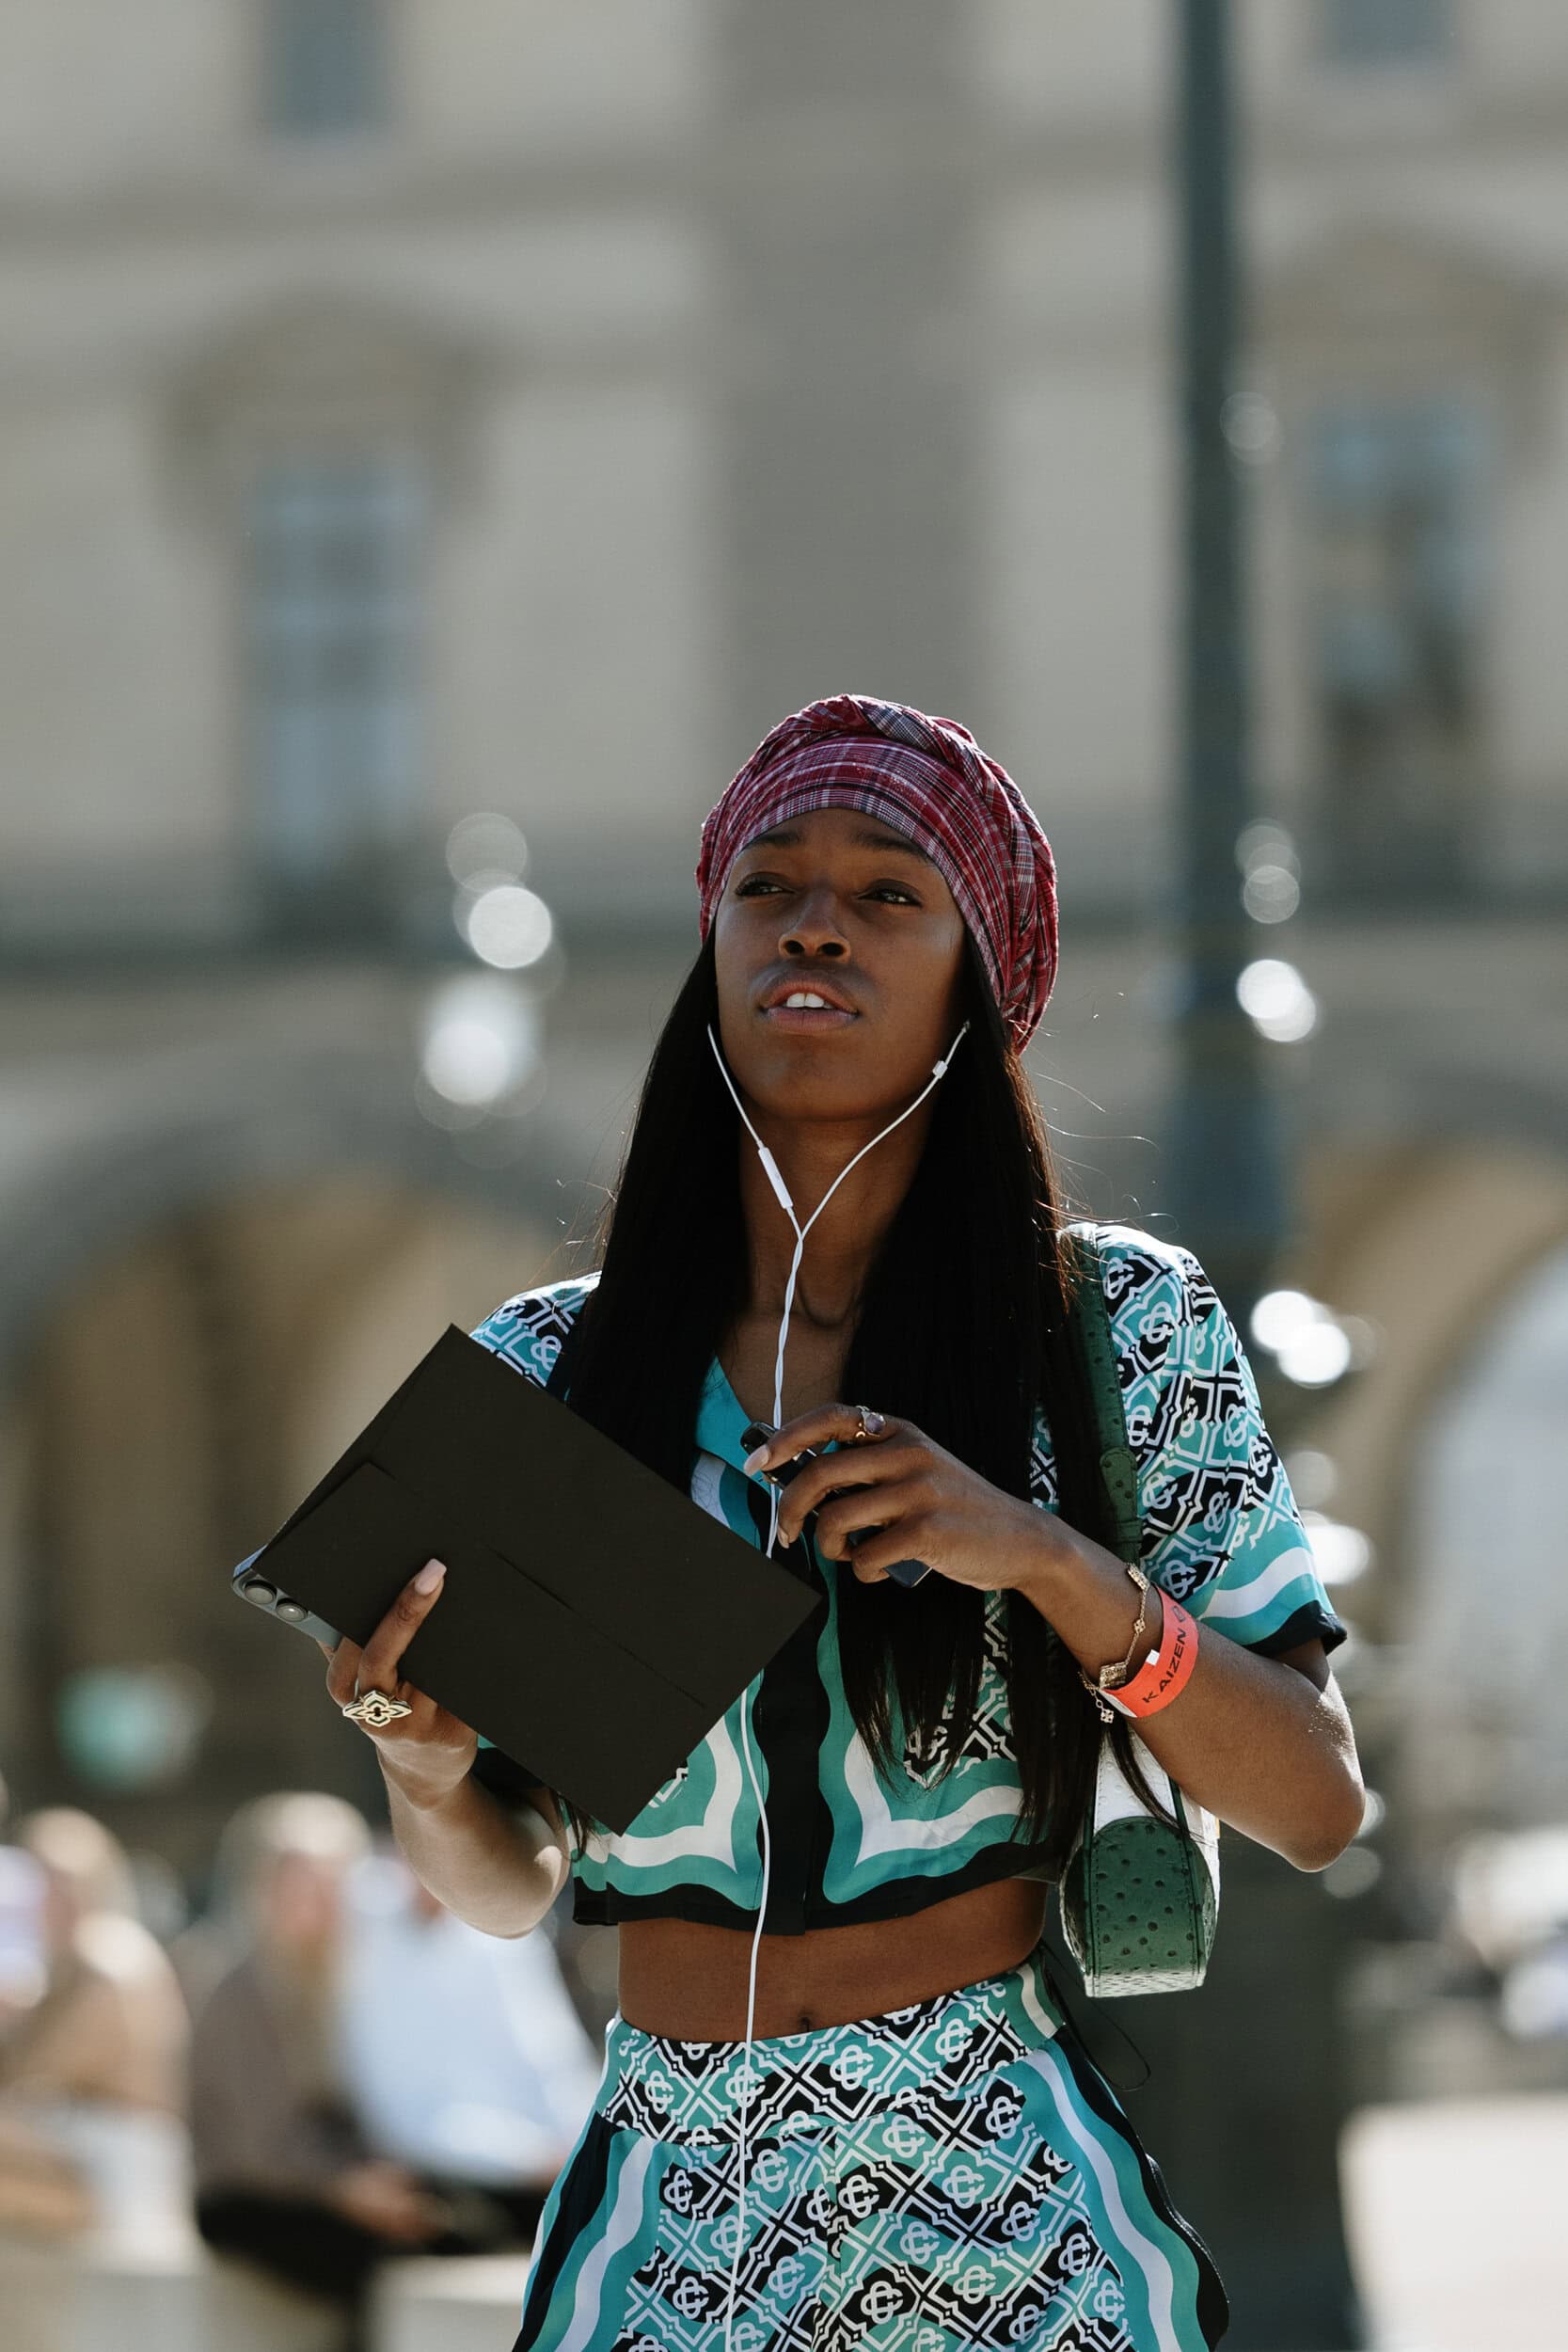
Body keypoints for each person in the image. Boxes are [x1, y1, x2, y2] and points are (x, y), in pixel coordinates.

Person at [321, 695, 1365, 2350]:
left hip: (1000, 2197)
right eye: (767, 886)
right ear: (712, 944)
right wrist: (423, 1759)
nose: (814, 919)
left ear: (978, 976)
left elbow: (1313, 1798)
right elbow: (513, 1883)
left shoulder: (1114, 1330)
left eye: (890, 893)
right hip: (665, 2212)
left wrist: (1045, 1561)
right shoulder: (547, 1371)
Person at [339, 1848, 600, 2245]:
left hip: (538, 2164)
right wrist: (534, 2158)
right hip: (447, 2175)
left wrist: (578, 2146)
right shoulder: (367, 1947)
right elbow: (407, 2119)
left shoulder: (506, 1944)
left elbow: (553, 2056)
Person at [0, 1807, 190, 2242]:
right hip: (87, 2163)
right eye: (43, 1882)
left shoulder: (112, 1957)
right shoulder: (59, 1968)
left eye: (65, 1882)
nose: (53, 1896)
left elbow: (38, 2076)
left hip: (123, 2176)